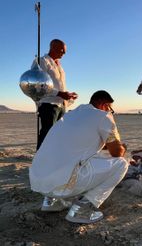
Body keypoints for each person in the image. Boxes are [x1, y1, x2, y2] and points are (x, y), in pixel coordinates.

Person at [29, 90, 128, 224]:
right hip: (62, 186)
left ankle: (51, 202)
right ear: (103, 104)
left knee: (74, 155)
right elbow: (117, 152)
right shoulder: (103, 116)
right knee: (121, 164)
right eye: (110, 108)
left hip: (39, 182)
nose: (110, 111)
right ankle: (83, 208)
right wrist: (122, 147)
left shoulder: (71, 114)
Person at [34, 39, 78, 150]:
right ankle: (40, 161)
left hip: (61, 105)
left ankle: (53, 160)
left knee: (58, 134)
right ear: (53, 47)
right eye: (62, 50)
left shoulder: (59, 65)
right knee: (47, 134)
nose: (64, 53)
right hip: (48, 104)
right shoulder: (42, 61)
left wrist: (68, 95)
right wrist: (59, 93)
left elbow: (59, 85)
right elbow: (39, 83)